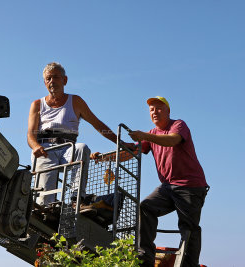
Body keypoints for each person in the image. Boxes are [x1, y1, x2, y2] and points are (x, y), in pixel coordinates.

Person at [27, 62, 122, 209]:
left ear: (64, 80)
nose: (52, 81)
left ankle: (77, 198)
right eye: (48, 79)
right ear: (44, 82)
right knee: (44, 202)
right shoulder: (37, 105)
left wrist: (120, 143)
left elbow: (98, 125)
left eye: (56, 77)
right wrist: (35, 146)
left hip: (67, 148)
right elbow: (30, 134)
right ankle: (47, 209)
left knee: (82, 148)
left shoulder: (75, 101)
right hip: (46, 150)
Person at [128, 96, 209, 267]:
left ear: (168, 111)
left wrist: (144, 136)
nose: (155, 112)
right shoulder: (151, 134)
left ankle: (189, 265)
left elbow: (173, 140)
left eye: (159, 108)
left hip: (190, 186)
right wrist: (106, 157)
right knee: (146, 207)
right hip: (167, 187)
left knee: (188, 227)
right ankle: (145, 259)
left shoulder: (178, 125)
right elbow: (131, 151)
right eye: (152, 110)